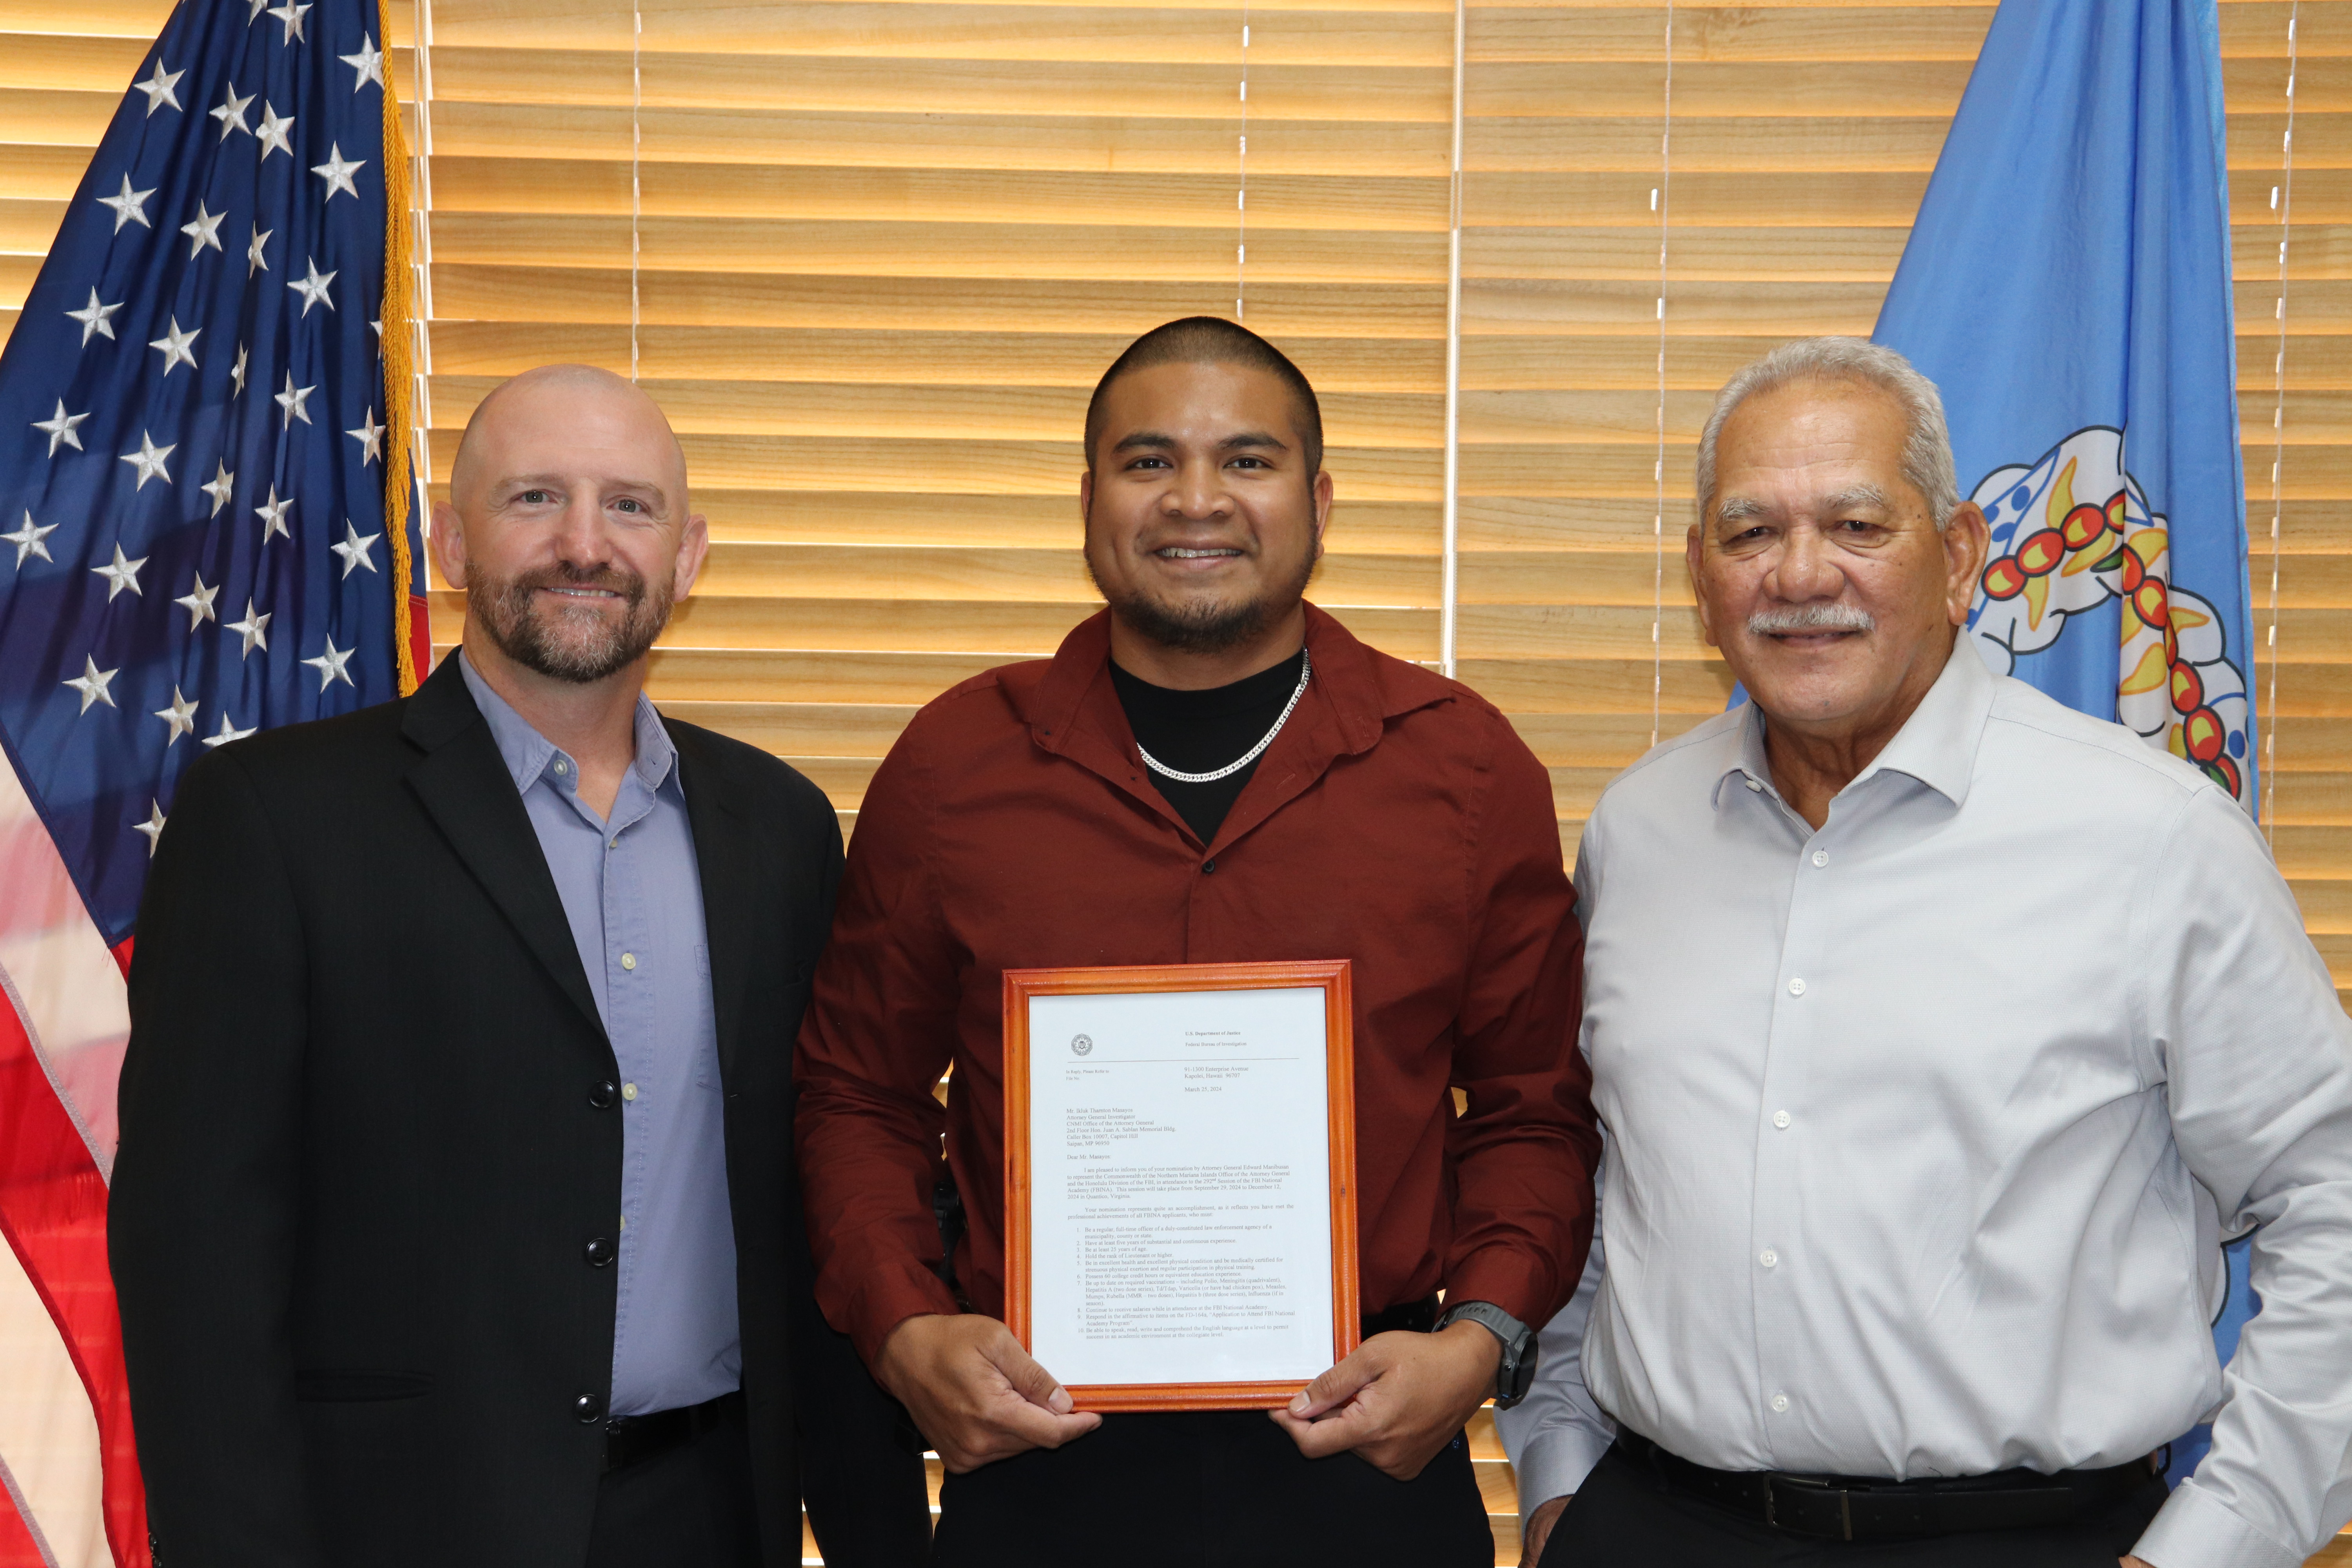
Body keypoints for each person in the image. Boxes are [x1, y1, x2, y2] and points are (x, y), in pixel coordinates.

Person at [1497, 336, 2352, 1568]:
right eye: (1750, 535)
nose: (1801, 575)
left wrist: (2217, 1547)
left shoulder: (2152, 839)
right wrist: (1560, 1474)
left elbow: (2330, 1198)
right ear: (1699, 576)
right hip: (1659, 1522)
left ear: (1958, 557)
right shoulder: (1639, 835)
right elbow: (1593, 1175)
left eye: (1856, 523)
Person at [792, 316, 1599, 1565]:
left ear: (1320, 501)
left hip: (1368, 1462)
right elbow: (856, 1093)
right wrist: (904, 1330)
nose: (1198, 501)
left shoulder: (1465, 766)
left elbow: (1533, 1111)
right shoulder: (957, 765)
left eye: (1250, 461)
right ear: (1089, 499)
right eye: (1151, 461)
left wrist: (1479, 1341)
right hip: (1045, 1465)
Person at [110, 366, 930, 1568]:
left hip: (710, 1516)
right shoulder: (274, 818)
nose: (584, 544)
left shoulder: (780, 826)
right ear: (449, 540)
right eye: (536, 497)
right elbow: (197, 1256)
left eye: (632, 507)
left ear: (690, 556)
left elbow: (813, 1189)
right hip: (394, 1529)